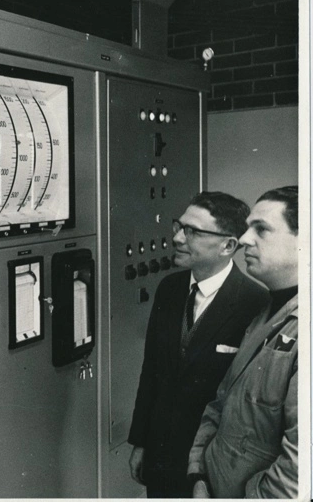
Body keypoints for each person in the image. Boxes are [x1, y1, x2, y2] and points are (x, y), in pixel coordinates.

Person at [128, 191, 270, 497]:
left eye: (192, 231)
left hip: (211, 466)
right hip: (160, 455)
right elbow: (151, 370)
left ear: (228, 245)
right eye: (179, 226)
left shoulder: (256, 303)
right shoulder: (169, 289)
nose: (178, 238)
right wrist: (140, 442)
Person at [188, 186, 299, 498]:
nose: (245, 239)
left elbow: (298, 472)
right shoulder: (264, 314)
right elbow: (220, 404)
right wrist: (198, 474)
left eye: (261, 229)